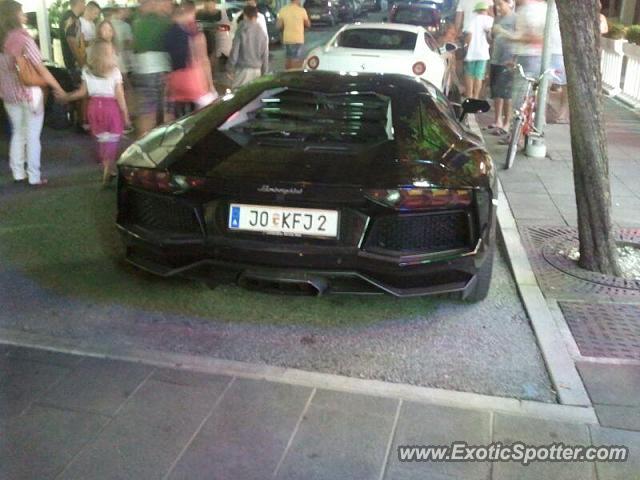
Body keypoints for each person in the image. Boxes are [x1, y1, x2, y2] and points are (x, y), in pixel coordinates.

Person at [0, 0, 65, 186]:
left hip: (9, 96)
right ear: (13, 15)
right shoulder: (23, 39)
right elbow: (41, 69)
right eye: (21, 12)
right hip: (29, 94)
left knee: (18, 133)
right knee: (33, 136)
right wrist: (57, 87)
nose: (25, 15)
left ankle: (18, 174)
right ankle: (34, 176)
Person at [59, 40, 131, 185]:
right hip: (110, 107)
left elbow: (82, 92)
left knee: (103, 140)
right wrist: (126, 117)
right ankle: (107, 169)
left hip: (93, 107)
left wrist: (66, 97)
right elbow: (120, 97)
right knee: (112, 140)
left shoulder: (86, 70)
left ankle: (108, 168)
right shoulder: (115, 72)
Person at [165, 0, 216, 116]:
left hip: (175, 81)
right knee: (209, 112)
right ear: (191, 12)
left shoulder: (169, 31)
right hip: (194, 81)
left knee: (178, 116)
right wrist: (210, 85)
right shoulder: (194, 32)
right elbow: (203, 59)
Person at [131, 0, 173, 136]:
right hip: (160, 70)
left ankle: (142, 147)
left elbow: (135, 46)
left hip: (142, 70)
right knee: (166, 113)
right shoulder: (162, 22)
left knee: (146, 112)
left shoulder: (138, 20)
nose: (169, 5)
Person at [489, 0, 515, 132]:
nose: (498, 7)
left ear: (508, 3)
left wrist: (514, 59)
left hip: (507, 60)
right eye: (496, 4)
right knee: (496, 92)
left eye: (500, 4)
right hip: (495, 58)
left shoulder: (514, 18)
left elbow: (517, 38)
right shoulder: (498, 19)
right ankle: (497, 120)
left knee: (507, 94)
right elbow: (492, 38)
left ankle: (507, 122)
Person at [228, 5, 269, 89]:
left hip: (243, 69)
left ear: (245, 15)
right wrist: (265, 73)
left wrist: (230, 67)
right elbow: (265, 54)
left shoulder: (242, 28)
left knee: (237, 95)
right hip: (257, 70)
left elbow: (235, 50)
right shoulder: (262, 31)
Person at [463, 2, 493, 99]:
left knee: (469, 74)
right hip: (483, 53)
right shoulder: (490, 20)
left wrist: (466, 46)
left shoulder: (473, 20)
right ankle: (476, 96)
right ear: (486, 10)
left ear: (477, 11)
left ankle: (469, 95)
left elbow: (469, 35)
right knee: (479, 76)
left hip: (472, 52)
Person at [277, 0, 310, 70]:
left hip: (287, 39)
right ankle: (294, 75)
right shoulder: (302, 10)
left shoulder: (283, 10)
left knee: (288, 59)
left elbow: (278, 26)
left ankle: (287, 73)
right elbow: (308, 24)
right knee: (296, 60)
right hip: (298, 39)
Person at [60, 0, 86, 72]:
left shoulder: (76, 18)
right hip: (74, 65)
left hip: (77, 63)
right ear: (79, 2)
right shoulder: (69, 18)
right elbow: (72, 42)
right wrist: (82, 64)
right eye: (84, 2)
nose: (85, 5)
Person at [110, 6, 134, 80]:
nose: (127, 13)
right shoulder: (125, 26)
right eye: (124, 11)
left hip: (111, 57)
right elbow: (129, 43)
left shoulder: (106, 24)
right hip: (123, 57)